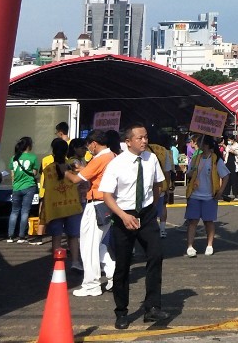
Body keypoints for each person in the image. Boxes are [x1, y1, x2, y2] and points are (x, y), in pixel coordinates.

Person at [98, 123, 166, 329]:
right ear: (128, 142)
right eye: (140, 138)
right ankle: (121, 312)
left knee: (156, 255)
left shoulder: (151, 158)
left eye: (146, 137)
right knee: (123, 266)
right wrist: (123, 215)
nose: (144, 141)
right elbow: (106, 195)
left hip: (145, 215)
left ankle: (152, 307)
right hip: (122, 216)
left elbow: (158, 184)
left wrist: (151, 208)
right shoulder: (116, 164)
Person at [73, 130, 118, 299]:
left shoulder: (100, 158)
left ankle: (91, 285)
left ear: (94, 143)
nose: (88, 149)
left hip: (96, 203)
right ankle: (113, 273)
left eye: (88, 145)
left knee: (88, 245)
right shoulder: (112, 156)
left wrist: (64, 171)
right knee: (97, 244)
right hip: (108, 203)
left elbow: (77, 179)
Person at [40, 137, 85, 270]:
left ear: (53, 152)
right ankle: (75, 262)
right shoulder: (72, 166)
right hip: (72, 205)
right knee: (73, 236)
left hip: (55, 208)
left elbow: (46, 189)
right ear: (66, 151)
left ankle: (57, 264)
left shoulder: (48, 169)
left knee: (57, 237)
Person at [184, 135, 225, 257]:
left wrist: (220, 191)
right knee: (192, 221)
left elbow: (225, 176)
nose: (197, 145)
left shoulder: (216, 159)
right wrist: (191, 171)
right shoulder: (196, 158)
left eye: (200, 142)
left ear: (206, 145)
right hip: (194, 195)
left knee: (209, 222)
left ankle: (209, 245)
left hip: (209, 196)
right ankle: (190, 246)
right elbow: (189, 173)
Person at [7, 136, 40, 243]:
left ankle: (10, 236)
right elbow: (34, 173)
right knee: (25, 211)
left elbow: (12, 175)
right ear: (29, 146)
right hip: (29, 186)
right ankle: (21, 236)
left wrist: (14, 185)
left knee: (14, 211)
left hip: (16, 187)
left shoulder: (14, 158)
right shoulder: (32, 157)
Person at [148, 134, 171, 237]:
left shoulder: (145, 149)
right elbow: (167, 171)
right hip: (161, 184)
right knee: (162, 206)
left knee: (148, 209)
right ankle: (162, 230)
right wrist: (168, 184)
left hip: (147, 185)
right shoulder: (164, 151)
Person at [222, 134, 238, 201]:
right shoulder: (228, 146)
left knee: (235, 180)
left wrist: (234, 152)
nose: (229, 141)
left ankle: (236, 195)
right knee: (227, 179)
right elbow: (226, 153)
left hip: (235, 164)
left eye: (230, 140)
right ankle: (226, 194)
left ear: (233, 140)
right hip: (228, 164)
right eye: (228, 140)